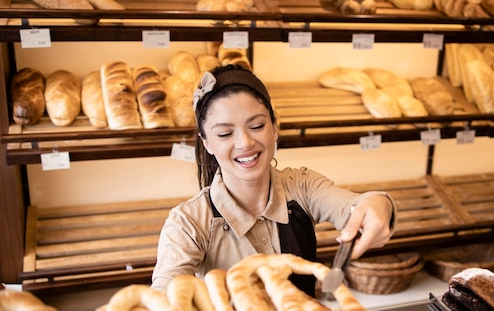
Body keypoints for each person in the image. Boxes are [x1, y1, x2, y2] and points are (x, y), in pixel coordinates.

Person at [151, 64, 396, 295]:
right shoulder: (189, 222)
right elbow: (166, 289)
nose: (245, 143)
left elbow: (354, 205)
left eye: (256, 126)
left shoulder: (301, 186)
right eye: (225, 133)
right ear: (207, 143)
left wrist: (377, 205)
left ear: (275, 127)